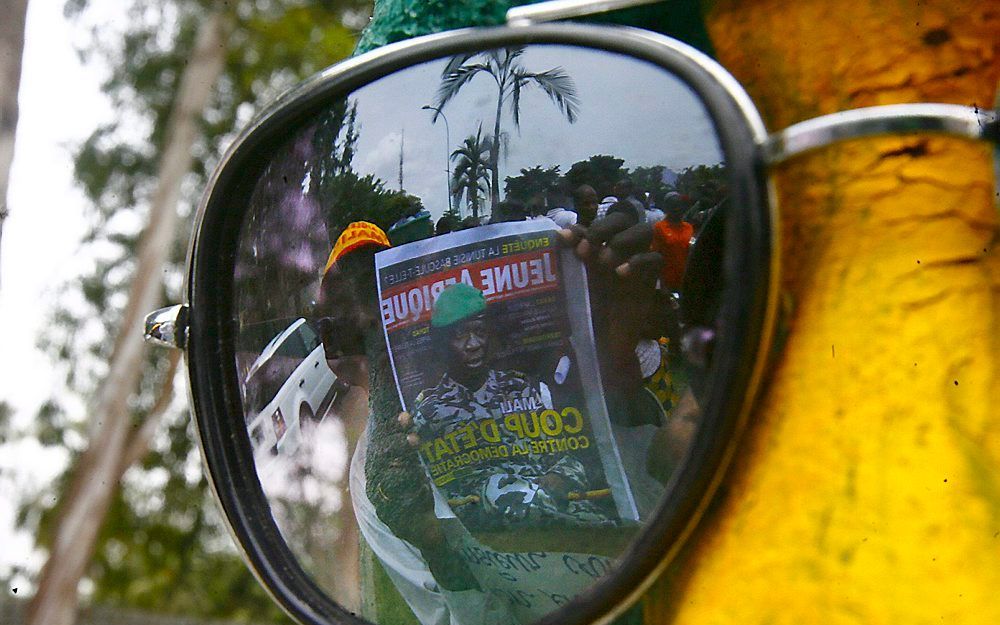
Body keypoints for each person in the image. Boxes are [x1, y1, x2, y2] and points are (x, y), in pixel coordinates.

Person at [412, 282, 612, 529]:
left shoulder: (521, 388)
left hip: (558, 510)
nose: (473, 344)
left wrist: (559, 476)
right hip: (492, 530)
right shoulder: (429, 411)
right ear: (443, 345)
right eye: (460, 335)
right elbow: (439, 492)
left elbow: (567, 455)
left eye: (479, 332)